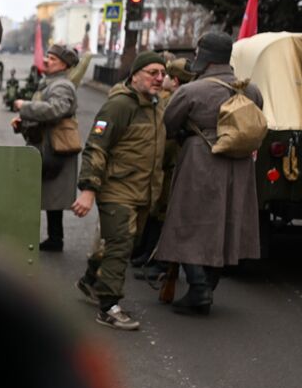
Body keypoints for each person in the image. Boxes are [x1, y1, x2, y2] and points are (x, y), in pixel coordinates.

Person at [155, 31, 265, 314]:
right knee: (227, 223)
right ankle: (207, 285)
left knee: (188, 221)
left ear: (203, 55)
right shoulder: (251, 90)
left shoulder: (191, 91)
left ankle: (199, 287)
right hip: (239, 165)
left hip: (201, 161)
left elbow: (169, 123)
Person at [71, 50, 168, 330]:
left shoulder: (155, 107)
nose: (159, 78)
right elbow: (96, 148)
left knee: (122, 243)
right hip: (117, 190)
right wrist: (88, 190)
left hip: (144, 192)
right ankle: (108, 307)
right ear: (135, 74)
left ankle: (90, 280)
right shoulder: (119, 106)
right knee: (120, 245)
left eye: (162, 74)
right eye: (152, 72)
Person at [12, 43, 80, 252]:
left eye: (52, 58)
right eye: (48, 56)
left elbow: (55, 110)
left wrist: (25, 107)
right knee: (49, 195)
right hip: (46, 145)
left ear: (64, 65)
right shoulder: (50, 83)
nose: (46, 60)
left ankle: (45, 238)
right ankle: (54, 238)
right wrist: (22, 122)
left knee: (39, 192)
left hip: (52, 148)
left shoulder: (61, 86)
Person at [132, 55, 192, 281]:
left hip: (170, 165)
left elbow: (166, 137)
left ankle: (160, 262)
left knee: (164, 213)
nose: (161, 79)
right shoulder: (168, 98)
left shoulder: (173, 101)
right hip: (167, 165)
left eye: (165, 75)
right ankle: (148, 255)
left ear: (175, 80)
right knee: (157, 212)